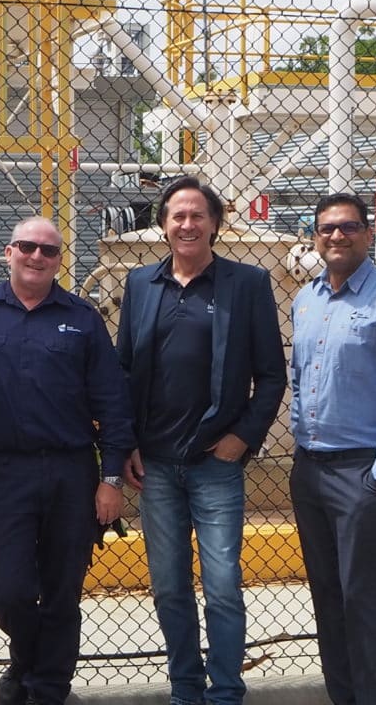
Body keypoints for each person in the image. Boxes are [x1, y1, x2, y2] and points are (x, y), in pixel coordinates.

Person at [0, 216, 135, 705]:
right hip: (4, 471)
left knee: (61, 591)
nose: (37, 256)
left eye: (48, 251)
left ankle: (47, 689)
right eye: (27, 247)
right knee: (7, 590)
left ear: (59, 260)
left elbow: (112, 402)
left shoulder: (83, 317)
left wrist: (110, 478)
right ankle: (27, 662)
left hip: (73, 471)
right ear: (9, 251)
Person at [116, 176, 287, 705]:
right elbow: (123, 373)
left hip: (217, 462)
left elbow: (272, 376)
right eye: (177, 216)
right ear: (163, 224)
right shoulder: (140, 285)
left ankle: (226, 694)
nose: (186, 225)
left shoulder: (247, 284)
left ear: (215, 224)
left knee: (221, 588)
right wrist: (126, 446)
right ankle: (186, 691)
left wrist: (243, 437)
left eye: (197, 216)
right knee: (169, 589)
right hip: (156, 466)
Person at [289, 193, 376, 705]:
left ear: (368, 234)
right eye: (326, 228)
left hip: (362, 472)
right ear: (315, 235)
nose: (336, 236)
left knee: (363, 598)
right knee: (328, 599)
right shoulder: (304, 300)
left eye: (348, 227)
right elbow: (299, 377)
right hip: (309, 470)